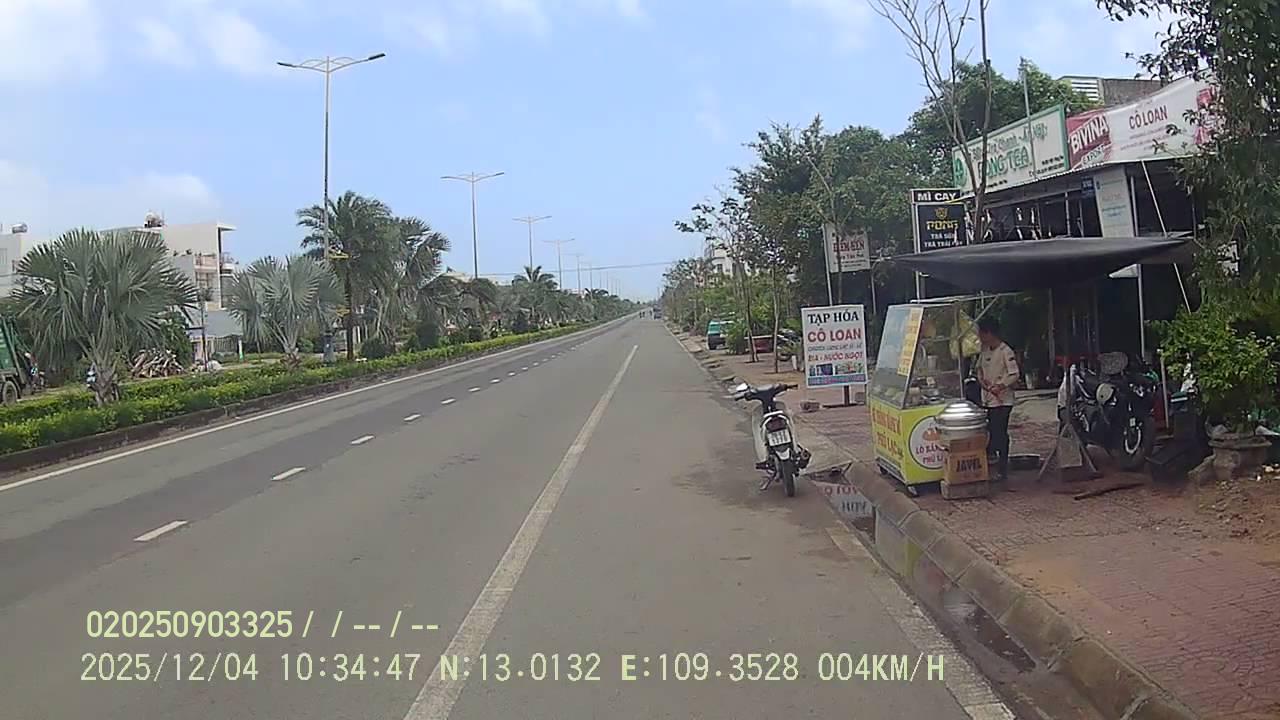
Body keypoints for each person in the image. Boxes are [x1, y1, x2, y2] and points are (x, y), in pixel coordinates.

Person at [976, 317, 1019, 481]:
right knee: (991, 431)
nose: (979, 337)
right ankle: (994, 464)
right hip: (988, 398)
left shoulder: (1005, 351)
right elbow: (979, 369)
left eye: (981, 333)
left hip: (1003, 400)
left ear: (989, 333)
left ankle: (1002, 467)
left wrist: (1000, 386)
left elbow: (1014, 374)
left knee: (1000, 432)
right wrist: (982, 380)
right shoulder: (984, 350)